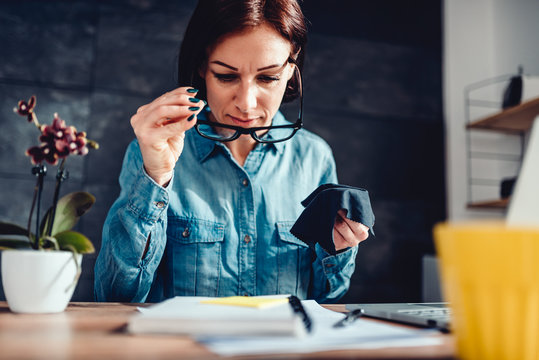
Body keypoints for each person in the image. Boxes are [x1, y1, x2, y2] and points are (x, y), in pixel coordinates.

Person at [94, 0, 371, 303]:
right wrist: (156, 177)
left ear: (292, 68)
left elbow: (328, 296)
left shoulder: (314, 158)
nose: (247, 103)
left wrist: (339, 249)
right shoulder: (150, 152)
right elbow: (115, 296)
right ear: (202, 66)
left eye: (267, 78)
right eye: (226, 76)